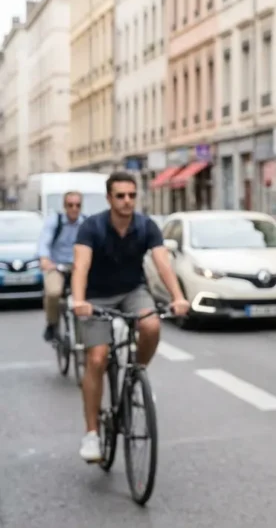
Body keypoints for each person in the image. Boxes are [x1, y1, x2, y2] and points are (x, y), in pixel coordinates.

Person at [70, 171, 190, 462]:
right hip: (96, 296)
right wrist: (79, 300)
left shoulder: (146, 226)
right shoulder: (92, 226)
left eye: (132, 195)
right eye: (121, 196)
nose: (127, 201)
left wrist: (178, 297)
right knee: (97, 358)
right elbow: (81, 266)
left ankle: (137, 373)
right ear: (109, 198)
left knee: (151, 324)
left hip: (132, 291)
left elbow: (162, 263)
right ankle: (91, 435)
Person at [37, 191, 87, 342]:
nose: (74, 209)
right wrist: (45, 259)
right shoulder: (55, 221)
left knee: (92, 294)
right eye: (70, 205)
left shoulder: (86, 223)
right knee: (53, 292)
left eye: (77, 205)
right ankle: (52, 324)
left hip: (78, 267)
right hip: (56, 266)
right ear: (64, 206)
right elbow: (44, 242)